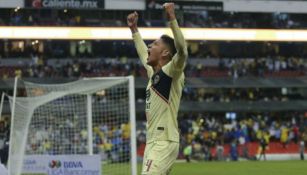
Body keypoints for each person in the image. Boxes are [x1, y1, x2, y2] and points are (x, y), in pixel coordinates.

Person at [127, 2, 188, 174]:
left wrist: (172, 20)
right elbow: (142, 53)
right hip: (153, 141)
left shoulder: (172, 73)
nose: (148, 47)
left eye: (153, 44)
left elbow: (182, 51)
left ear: (165, 53)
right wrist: (134, 31)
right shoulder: (155, 76)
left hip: (164, 141)